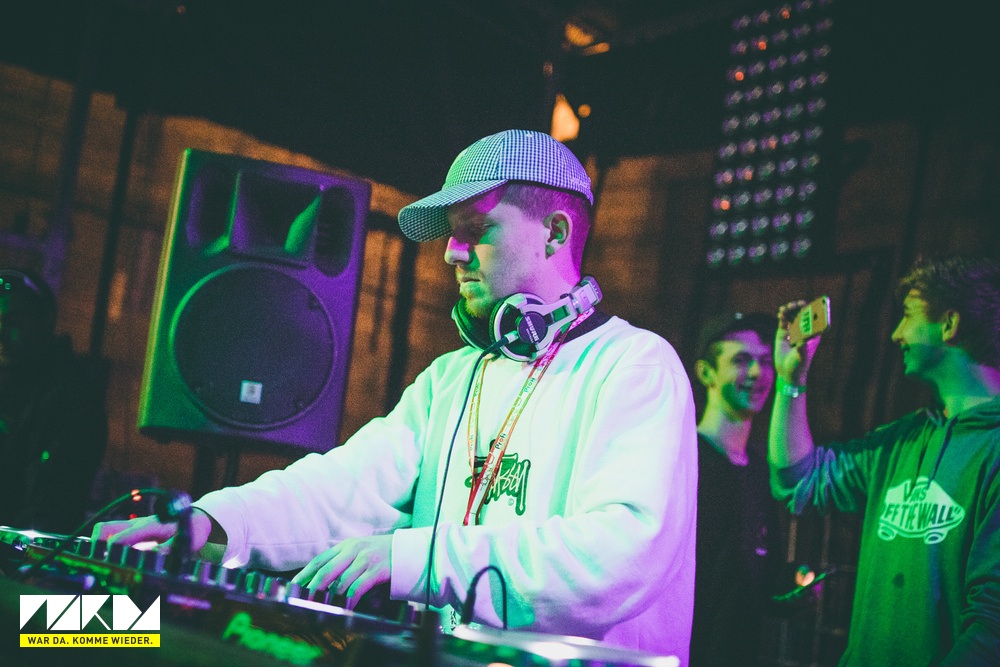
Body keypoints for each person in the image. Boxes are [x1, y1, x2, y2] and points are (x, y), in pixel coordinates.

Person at [95, 129, 699, 661]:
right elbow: (342, 488)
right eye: (451, 235)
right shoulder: (452, 378)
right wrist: (210, 522)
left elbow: (617, 554)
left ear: (555, 233)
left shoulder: (633, 366)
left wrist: (416, 559)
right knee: (70, 631)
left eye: (475, 231)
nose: (451, 252)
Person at [769, 256, 1000, 665]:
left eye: (907, 316)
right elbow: (798, 481)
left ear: (950, 324)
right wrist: (791, 381)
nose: (896, 334)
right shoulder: (902, 439)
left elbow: (991, 624)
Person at [688, 311, 782, 666]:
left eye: (765, 361)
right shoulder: (686, 457)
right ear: (706, 373)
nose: (757, 373)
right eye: (741, 360)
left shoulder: (761, 467)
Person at [0, 268, 108, 533]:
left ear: (45, 321)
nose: (1, 333)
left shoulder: (71, 400)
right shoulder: (14, 390)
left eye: (14, 322)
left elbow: (48, 511)